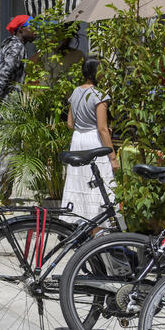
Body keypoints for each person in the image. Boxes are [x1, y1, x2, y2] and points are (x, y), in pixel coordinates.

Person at [0, 15, 37, 209]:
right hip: (5, 106)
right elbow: (2, 75)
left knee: (0, 152)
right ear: (21, 30)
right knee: (6, 152)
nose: (35, 31)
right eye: (32, 27)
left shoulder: (8, 45)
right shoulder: (16, 48)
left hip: (0, 104)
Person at [61, 57, 117, 221]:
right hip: (94, 140)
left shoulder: (76, 92)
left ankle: (78, 220)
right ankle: (99, 223)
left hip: (77, 139)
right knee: (98, 182)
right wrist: (113, 158)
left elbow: (70, 123)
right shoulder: (99, 95)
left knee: (78, 181)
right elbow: (102, 129)